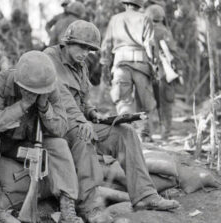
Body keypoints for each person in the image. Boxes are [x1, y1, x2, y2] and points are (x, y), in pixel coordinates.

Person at [44, 20, 180, 218]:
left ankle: (144, 195)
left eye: (89, 49)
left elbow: (83, 99)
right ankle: (89, 206)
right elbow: (60, 96)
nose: (85, 52)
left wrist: (92, 113)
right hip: (56, 124)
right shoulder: (49, 58)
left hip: (79, 121)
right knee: (84, 136)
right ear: (67, 42)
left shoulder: (80, 65)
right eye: (82, 46)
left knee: (126, 132)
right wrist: (82, 121)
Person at [0, 51, 84, 223]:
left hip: (27, 143)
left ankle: (67, 208)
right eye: (30, 90)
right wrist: (23, 104)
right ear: (19, 83)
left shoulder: (51, 87)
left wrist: (44, 108)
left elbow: (61, 129)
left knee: (59, 144)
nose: (35, 93)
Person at [101, 0, 157, 142]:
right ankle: (143, 134)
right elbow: (150, 45)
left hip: (120, 63)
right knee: (144, 101)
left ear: (125, 4)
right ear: (139, 5)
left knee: (123, 100)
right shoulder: (145, 19)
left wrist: (105, 65)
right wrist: (154, 64)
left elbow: (106, 45)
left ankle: (125, 134)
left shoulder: (115, 19)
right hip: (141, 63)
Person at [145, 4, 181, 139]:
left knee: (147, 103)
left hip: (147, 71)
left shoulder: (144, 30)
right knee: (166, 102)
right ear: (161, 17)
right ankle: (166, 132)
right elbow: (174, 53)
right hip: (164, 72)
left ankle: (147, 133)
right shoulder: (165, 31)